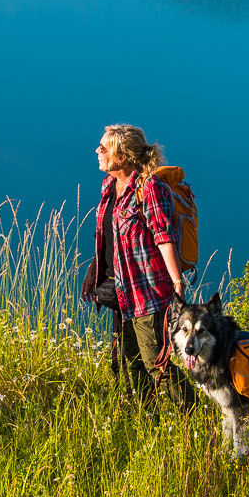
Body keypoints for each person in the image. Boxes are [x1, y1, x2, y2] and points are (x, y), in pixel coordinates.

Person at [83, 123, 191, 407]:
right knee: (130, 363)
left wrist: (177, 283)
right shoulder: (110, 186)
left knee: (157, 362)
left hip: (148, 294)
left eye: (104, 148)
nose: (98, 151)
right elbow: (108, 237)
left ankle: (197, 420)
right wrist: (93, 273)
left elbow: (164, 236)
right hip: (122, 292)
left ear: (122, 157)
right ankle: (147, 420)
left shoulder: (150, 188)